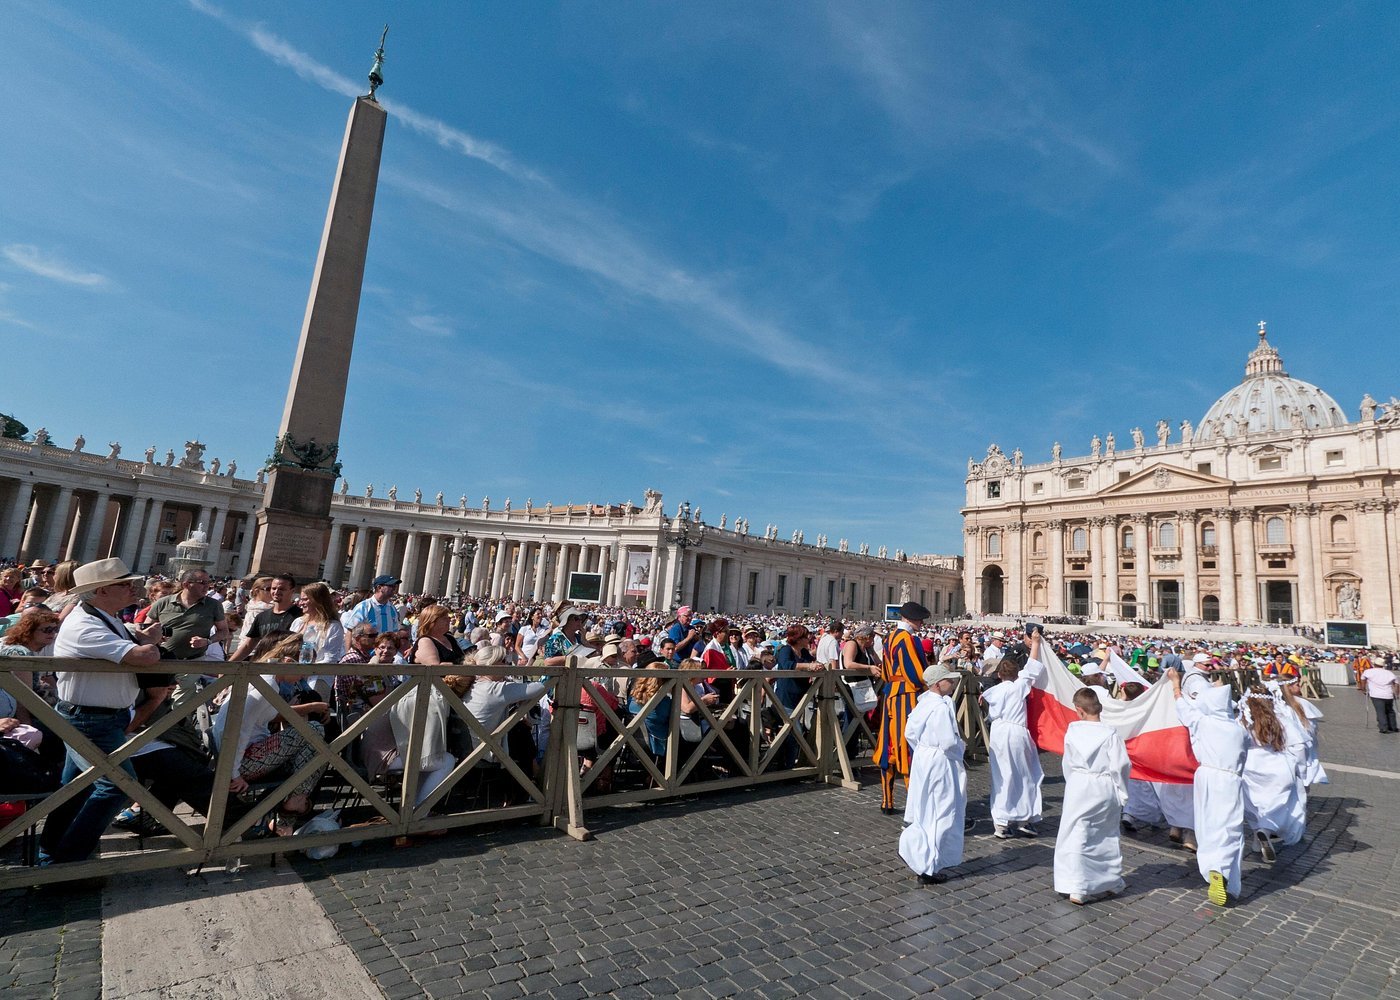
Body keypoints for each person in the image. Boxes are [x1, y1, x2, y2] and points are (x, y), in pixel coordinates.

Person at [40, 557, 163, 865]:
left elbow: (132, 644)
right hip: (90, 719)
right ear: (100, 591)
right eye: (125, 584)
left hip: (100, 716)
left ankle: (51, 852)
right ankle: (67, 861)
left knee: (75, 789)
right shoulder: (85, 625)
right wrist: (153, 645)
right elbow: (143, 656)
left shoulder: (105, 616)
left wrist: (143, 641)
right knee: (118, 788)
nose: (135, 588)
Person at [1168, 667, 1246, 906]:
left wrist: (1176, 684)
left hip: (1205, 777)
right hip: (1230, 779)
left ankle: (1212, 865)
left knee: (1207, 824)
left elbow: (1182, 707)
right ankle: (1223, 869)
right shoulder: (1239, 730)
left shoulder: (1203, 722)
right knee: (1230, 827)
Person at [1054, 688, 1131, 904]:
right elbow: (1121, 765)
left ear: (1079, 710)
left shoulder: (1073, 731)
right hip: (1103, 784)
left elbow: (1067, 762)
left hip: (1079, 784)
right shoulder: (1111, 734)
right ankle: (1108, 880)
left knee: (1076, 833)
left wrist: (1073, 783)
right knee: (1105, 834)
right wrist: (1122, 791)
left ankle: (1078, 885)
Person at [898, 663, 966, 885]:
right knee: (941, 810)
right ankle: (928, 865)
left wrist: (923, 751)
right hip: (939, 760)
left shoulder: (923, 703)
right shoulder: (939, 707)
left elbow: (910, 733)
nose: (953, 683)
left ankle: (923, 855)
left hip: (924, 759)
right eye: (949, 680)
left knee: (925, 807)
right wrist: (960, 749)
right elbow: (947, 742)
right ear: (938, 684)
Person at [982, 630, 1046, 838]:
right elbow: (1033, 667)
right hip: (1017, 732)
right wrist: (1035, 643)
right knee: (1026, 774)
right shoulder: (1018, 687)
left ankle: (1000, 822)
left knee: (1002, 776)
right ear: (1016, 674)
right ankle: (1024, 818)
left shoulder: (993, 693)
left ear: (999, 675)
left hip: (999, 733)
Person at [875, 601, 931, 815]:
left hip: (890, 694)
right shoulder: (908, 639)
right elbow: (916, 672)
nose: (921, 623)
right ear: (911, 619)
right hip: (907, 696)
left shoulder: (889, 637)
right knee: (908, 744)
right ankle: (915, 804)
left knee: (888, 745)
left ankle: (887, 801)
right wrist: (929, 685)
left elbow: (886, 671)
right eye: (919, 620)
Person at [1237, 687, 1306, 861]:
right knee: (1280, 805)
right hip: (1277, 766)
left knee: (1255, 805)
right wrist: (1300, 769)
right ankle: (1265, 832)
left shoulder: (1243, 722)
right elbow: (1298, 746)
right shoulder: (1280, 720)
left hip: (1251, 768)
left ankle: (1257, 835)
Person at [147, 569, 229, 660]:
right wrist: (155, 637)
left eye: (208, 582)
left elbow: (224, 631)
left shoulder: (213, 605)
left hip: (193, 661)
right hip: (163, 659)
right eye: (202, 583)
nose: (207, 586)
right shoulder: (163, 602)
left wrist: (208, 641)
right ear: (186, 584)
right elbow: (145, 628)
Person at [228, 575, 302, 660]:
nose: (276, 591)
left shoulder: (300, 616)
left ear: (292, 591)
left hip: (286, 668)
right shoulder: (261, 617)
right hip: (262, 666)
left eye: (282, 589)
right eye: (273, 588)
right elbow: (248, 645)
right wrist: (228, 666)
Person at [1359, 657, 1398, 733]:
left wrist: (1363, 689)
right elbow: (1396, 682)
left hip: (1376, 695)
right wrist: (1397, 693)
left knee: (1380, 711)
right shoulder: (1389, 673)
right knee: (1390, 711)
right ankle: (1393, 727)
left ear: (1374, 664)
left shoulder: (1368, 671)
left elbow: (1363, 679)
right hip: (1388, 695)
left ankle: (1383, 728)